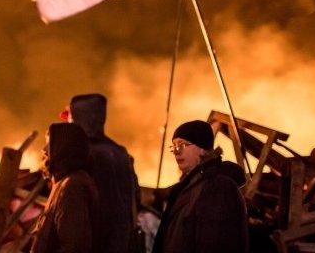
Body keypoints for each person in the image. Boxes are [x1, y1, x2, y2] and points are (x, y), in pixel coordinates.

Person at [152, 120, 248, 253]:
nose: (176, 151)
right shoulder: (186, 189)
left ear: (203, 149)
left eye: (183, 144)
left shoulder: (219, 188)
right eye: (174, 146)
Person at [61, 94, 139, 253]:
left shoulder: (83, 153)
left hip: (93, 241)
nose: (68, 122)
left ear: (80, 118)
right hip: (121, 241)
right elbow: (134, 196)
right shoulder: (120, 152)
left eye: (71, 116)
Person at [31, 123, 99, 253]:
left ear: (64, 148)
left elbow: (75, 247)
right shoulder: (63, 183)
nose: (44, 150)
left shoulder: (73, 186)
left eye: (49, 144)